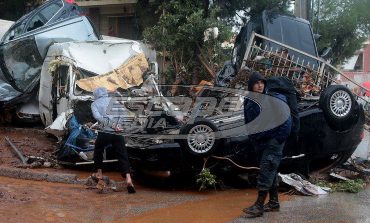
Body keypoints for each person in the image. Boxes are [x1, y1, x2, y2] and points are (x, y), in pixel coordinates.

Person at [243, 71, 292, 217]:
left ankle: (258, 205)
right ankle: (274, 202)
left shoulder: (272, 99)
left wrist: (277, 139)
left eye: (262, 83)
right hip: (261, 142)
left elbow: (287, 121)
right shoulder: (249, 100)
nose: (260, 85)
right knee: (271, 170)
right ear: (251, 85)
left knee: (266, 169)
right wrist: (253, 139)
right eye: (257, 83)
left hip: (273, 141)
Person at [91, 87, 136, 193]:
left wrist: (111, 125)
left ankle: (99, 173)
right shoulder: (114, 101)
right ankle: (128, 178)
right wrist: (117, 125)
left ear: (96, 95)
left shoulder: (94, 104)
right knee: (122, 154)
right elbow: (124, 114)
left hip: (105, 132)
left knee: (98, 149)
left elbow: (97, 117)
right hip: (117, 132)